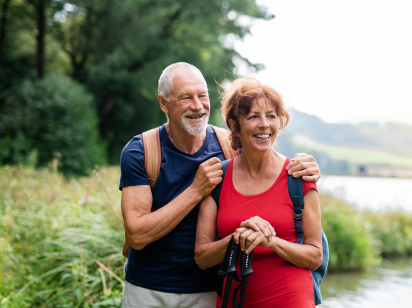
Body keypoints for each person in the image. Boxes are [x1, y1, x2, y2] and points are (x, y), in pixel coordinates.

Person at [119, 63, 321, 308]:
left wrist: (307, 165)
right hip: (149, 289)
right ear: (164, 103)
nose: (197, 105)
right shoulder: (141, 150)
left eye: (202, 96)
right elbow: (137, 235)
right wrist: (196, 190)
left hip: (210, 290)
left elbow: (262, 150)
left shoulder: (228, 144)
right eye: (185, 97)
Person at [194, 78, 323, 308]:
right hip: (235, 301)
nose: (264, 124)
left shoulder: (299, 176)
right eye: (253, 116)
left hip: (291, 301)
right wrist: (238, 237)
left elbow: (315, 257)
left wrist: (270, 241)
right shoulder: (217, 178)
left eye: (271, 116)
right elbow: (202, 257)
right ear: (235, 126)